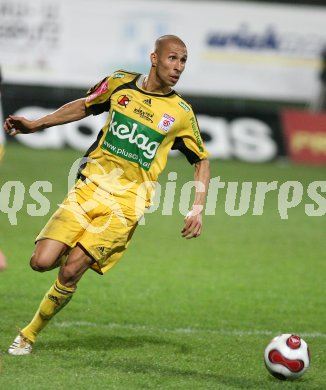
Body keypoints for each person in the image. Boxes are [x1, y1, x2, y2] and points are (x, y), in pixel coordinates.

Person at [4, 35, 210, 355]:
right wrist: (37, 124)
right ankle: (69, 246)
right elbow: (83, 106)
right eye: (173, 58)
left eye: (184, 61)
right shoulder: (119, 83)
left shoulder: (181, 112)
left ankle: (28, 335)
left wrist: (197, 208)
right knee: (40, 262)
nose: (178, 67)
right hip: (89, 188)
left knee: (71, 271)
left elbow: (202, 160)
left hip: (127, 205)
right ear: (154, 58)